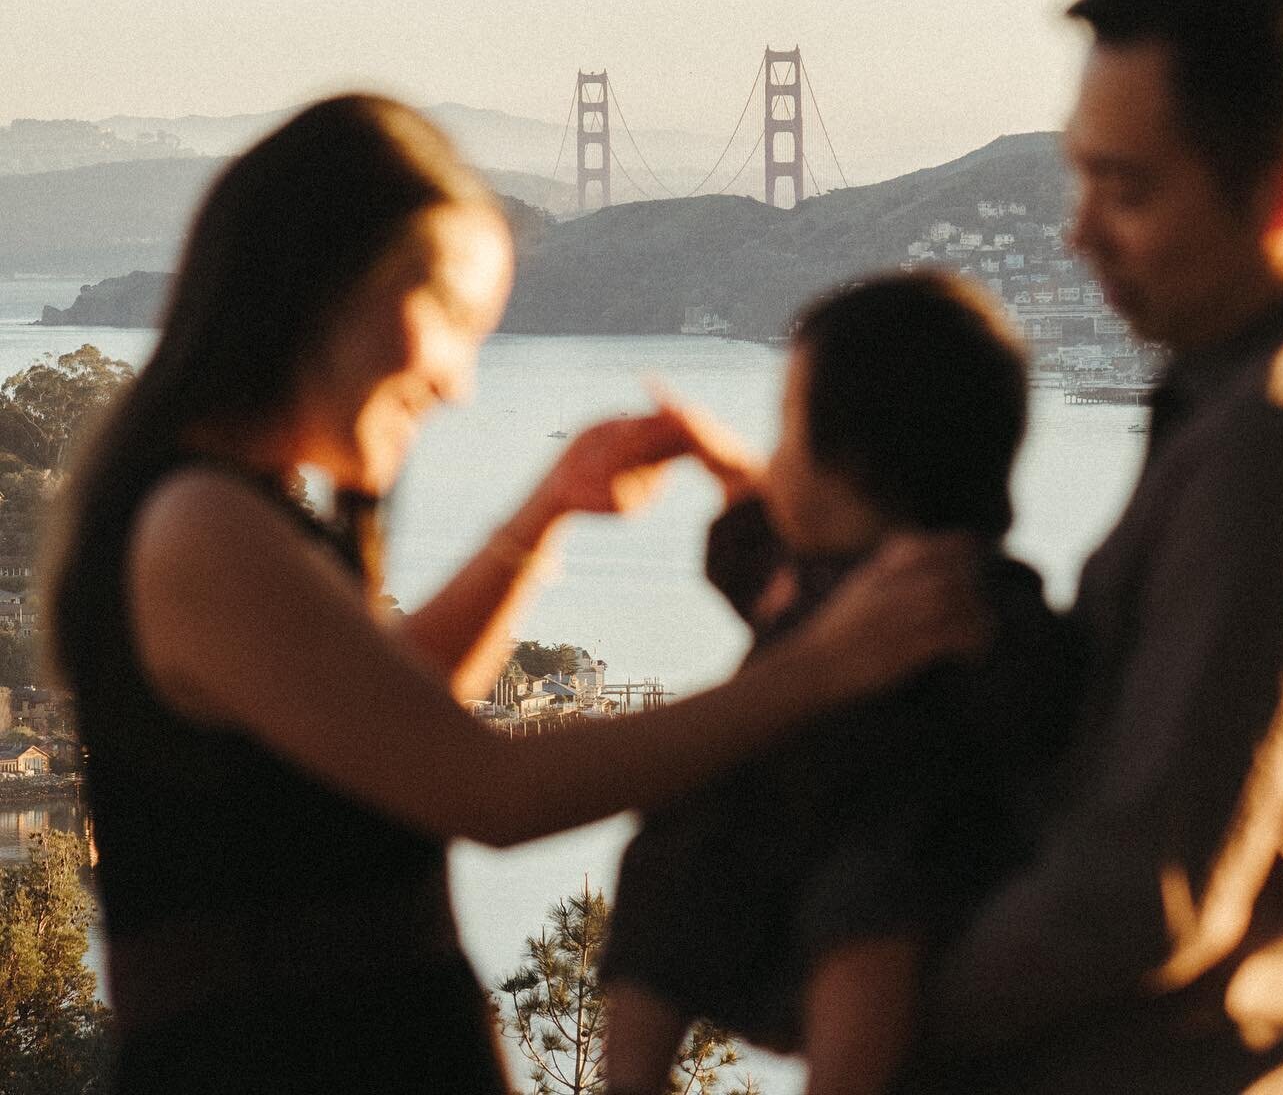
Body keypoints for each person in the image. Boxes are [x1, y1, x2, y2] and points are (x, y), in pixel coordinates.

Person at [47, 95, 980, 1095]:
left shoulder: (227, 512)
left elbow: (385, 721)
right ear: (325, 285)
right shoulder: (202, 527)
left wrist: (542, 519)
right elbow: (491, 791)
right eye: (451, 321)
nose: (456, 383)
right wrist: (825, 666)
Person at [927, 0, 1283, 1093]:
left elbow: (1136, 899)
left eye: (1129, 189)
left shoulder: (1282, 440)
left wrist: (853, 1005)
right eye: (1080, 176)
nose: (1079, 234)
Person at [601, 272, 1077, 1095]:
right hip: (780, 858)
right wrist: (721, 464)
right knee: (666, 855)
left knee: (868, 905)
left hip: (901, 874)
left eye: (785, 435)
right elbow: (753, 546)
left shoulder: (976, 609)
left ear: (852, 467)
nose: (771, 462)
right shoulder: (821, 576)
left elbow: (1040, 705)